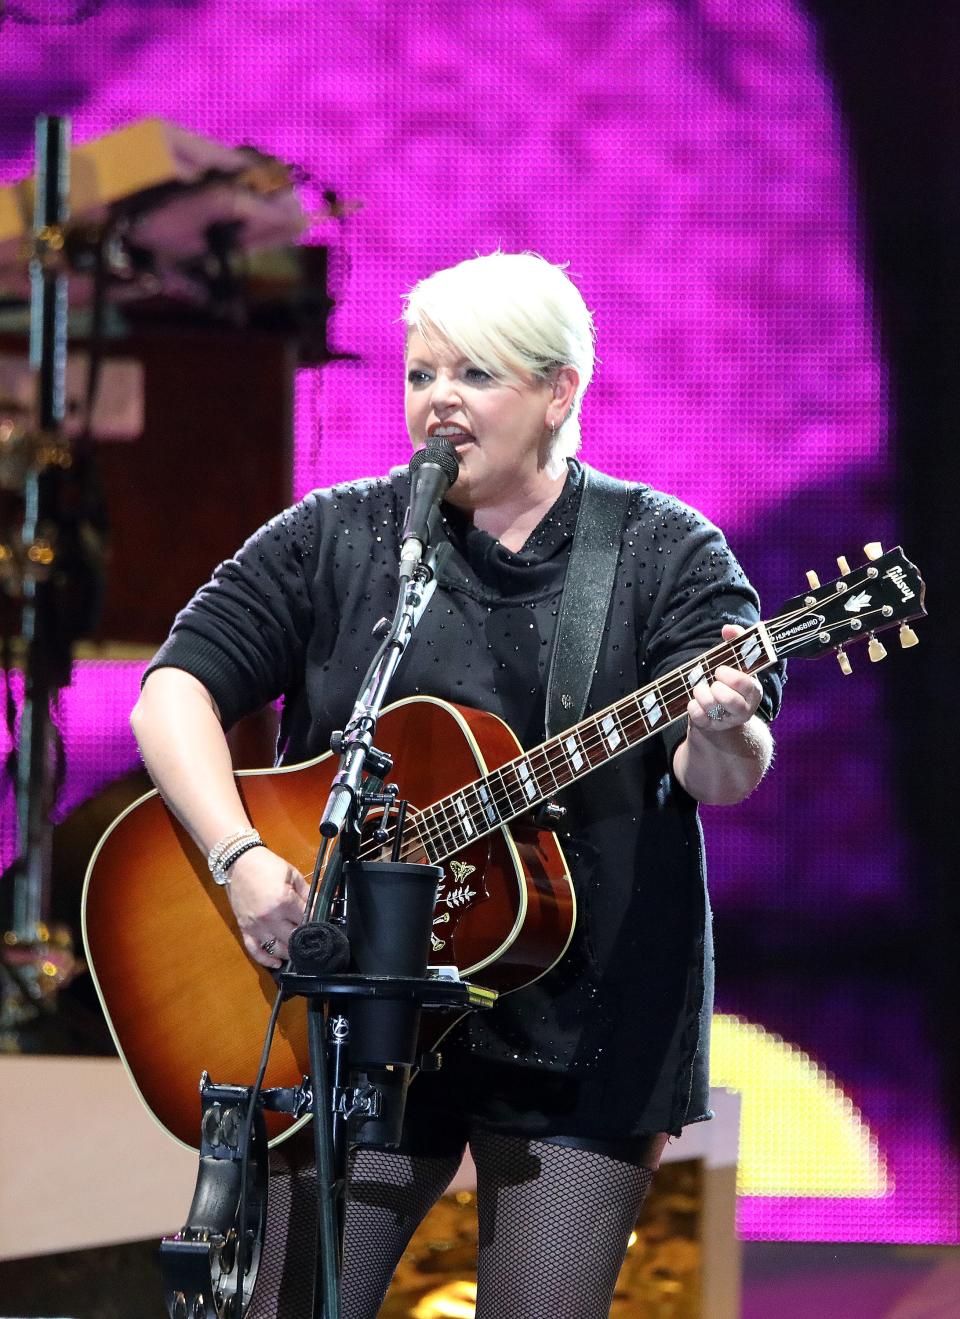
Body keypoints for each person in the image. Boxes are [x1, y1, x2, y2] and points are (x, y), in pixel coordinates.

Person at [131, 251, 782, 1318]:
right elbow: (172, 692)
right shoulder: (344, 535)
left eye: (474, 377)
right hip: (360, 1013)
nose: (437, 402)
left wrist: (722, 723)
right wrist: (241, 857)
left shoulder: (664, 552)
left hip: (587, 1020)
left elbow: (722, 771)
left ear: (559, 390)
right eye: (420, 374)